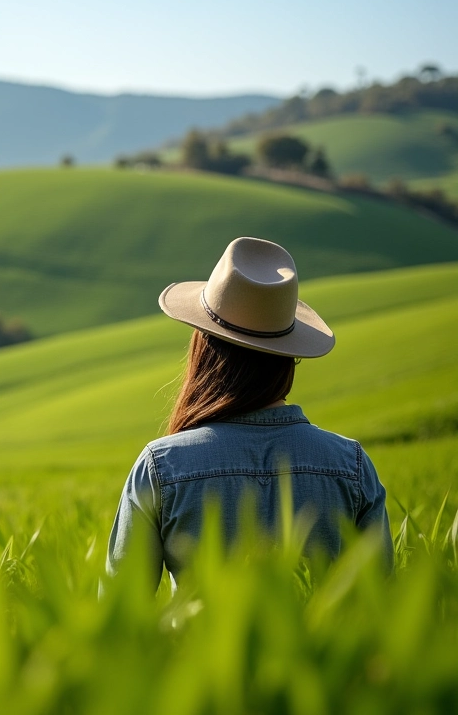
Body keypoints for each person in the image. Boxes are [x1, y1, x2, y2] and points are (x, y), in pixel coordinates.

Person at [106, 236, 394, 589]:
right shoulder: (350, 466)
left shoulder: (161, 466)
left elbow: (120, 614)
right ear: (288, 357)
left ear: (204, 350)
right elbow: (383, 609)